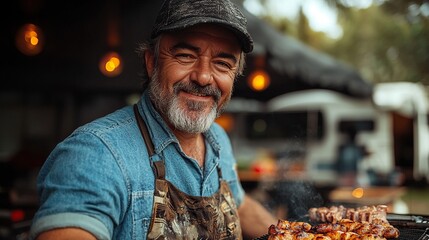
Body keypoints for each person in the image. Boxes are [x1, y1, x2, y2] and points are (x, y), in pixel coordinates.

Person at [29, 0, 277, 239]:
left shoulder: (217, 139)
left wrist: (296, 234)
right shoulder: (95, 152)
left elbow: (240, 206)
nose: (203, 77)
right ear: (151, 62)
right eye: (185, 55)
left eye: (222, 63)